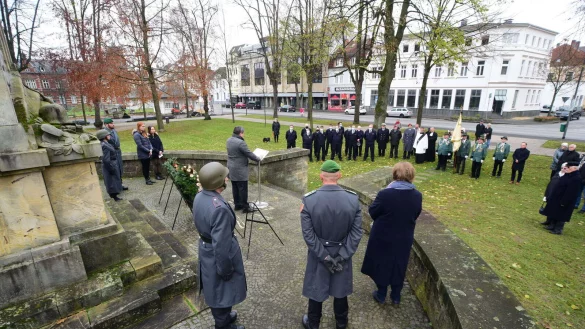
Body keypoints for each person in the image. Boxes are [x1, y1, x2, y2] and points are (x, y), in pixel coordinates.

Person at [300, 160, 363, 329]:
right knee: (340, 290)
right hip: (342, 252)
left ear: (321, 176)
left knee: (316, 289)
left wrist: (325, 256)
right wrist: (342, 256)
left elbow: (308, 235)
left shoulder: (309, 200)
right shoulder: (353, 200)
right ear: (339, 175)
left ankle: (313, 324)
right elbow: (356, 233)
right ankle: (341, 323)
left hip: (319, 253)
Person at [193, 162, 246, 329]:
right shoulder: (219, 209)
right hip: (217, 254)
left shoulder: (201, 195)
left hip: (206, 248)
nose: (227, 179)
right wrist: (225, 269)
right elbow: (221, 247)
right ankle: (222, 324)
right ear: (218, 183)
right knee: (221, 287)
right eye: (225, 177)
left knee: (215, 287)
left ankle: (225, 316)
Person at [361, 162, 422, 307]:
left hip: (383, 235)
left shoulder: (385, 193)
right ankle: (396, 296)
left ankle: (381, 294)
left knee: (382, 262)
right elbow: (415, 214)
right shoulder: (417, 195)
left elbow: (373, 211)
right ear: (411, 175)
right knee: (399, 264)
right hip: (404, 236)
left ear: (395, 174)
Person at [226, 126, 261, 213]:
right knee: (242, 188)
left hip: (231, 167)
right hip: (240, 169)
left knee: (235, 187)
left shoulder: (229, 140)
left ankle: (237, 205)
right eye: (243, 133)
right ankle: (245, 207)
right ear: (241, 133)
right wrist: (258, 158)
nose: (244, 134)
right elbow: (248, 153)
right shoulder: (240, 143)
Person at [542, 161, 581, 234]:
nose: (567, 168)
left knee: (561, 215)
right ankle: (552, 225)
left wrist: (565, 201)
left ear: (574, 168)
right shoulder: (568, 174)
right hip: (557, 197)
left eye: (569, 167)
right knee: (555, 211)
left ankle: (558, 229)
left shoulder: (576, 178)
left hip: (565, 199)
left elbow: (571, 192)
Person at [97, 130, 123, 201]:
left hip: (112, 164)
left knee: (114, 180)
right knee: (112, 181)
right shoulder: (104, 145)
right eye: (108, 135)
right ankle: (114, 196)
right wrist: (111, 168)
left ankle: (115, 196)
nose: (109, 136)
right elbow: (106, 159)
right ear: (104, 136)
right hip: (110, 165)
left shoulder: (105, 143)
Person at [104, 118, 128, 190]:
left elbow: (117, 141)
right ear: (106, 124)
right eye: (111, 123)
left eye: (112, 123)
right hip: (111, 153)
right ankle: (115, 186)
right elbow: (108, 142)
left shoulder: (114, 131)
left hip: (117, 151)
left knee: (120, 168)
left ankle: (120, 184)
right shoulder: (105, 132)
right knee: (114, 169)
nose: (113, 124)